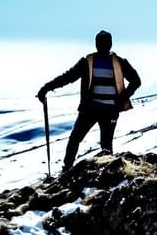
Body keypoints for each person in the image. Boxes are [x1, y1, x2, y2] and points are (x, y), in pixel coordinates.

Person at [37, 30, 142, 172]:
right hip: (98, 109)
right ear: (97, 44)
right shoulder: (92, 62)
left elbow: (68, 77)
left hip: (99, 110)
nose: (103, 45)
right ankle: (72, 169)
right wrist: (47, 88)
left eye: (104, 42)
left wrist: (122, 98)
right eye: (101, 42)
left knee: (82, 140)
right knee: (98, 143)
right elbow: (68, 77)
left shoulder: (112, 62)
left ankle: (69, 169)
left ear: (109, 44)